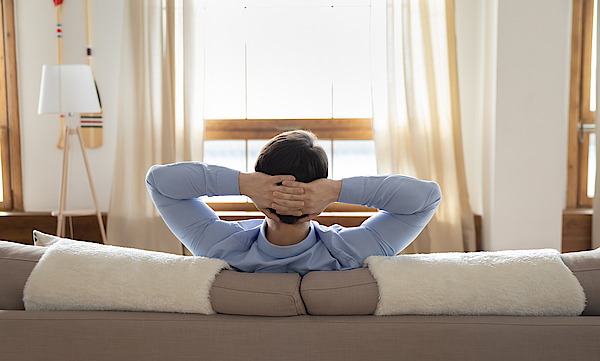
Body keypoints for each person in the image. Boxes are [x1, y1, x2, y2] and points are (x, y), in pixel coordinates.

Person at [146, 130, 441, 275]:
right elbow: (427, 198)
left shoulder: (220, 248)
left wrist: (244, 184)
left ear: (260, 197)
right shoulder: (352, 254)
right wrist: (336, 190)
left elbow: (158, 181)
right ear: (320, 195)